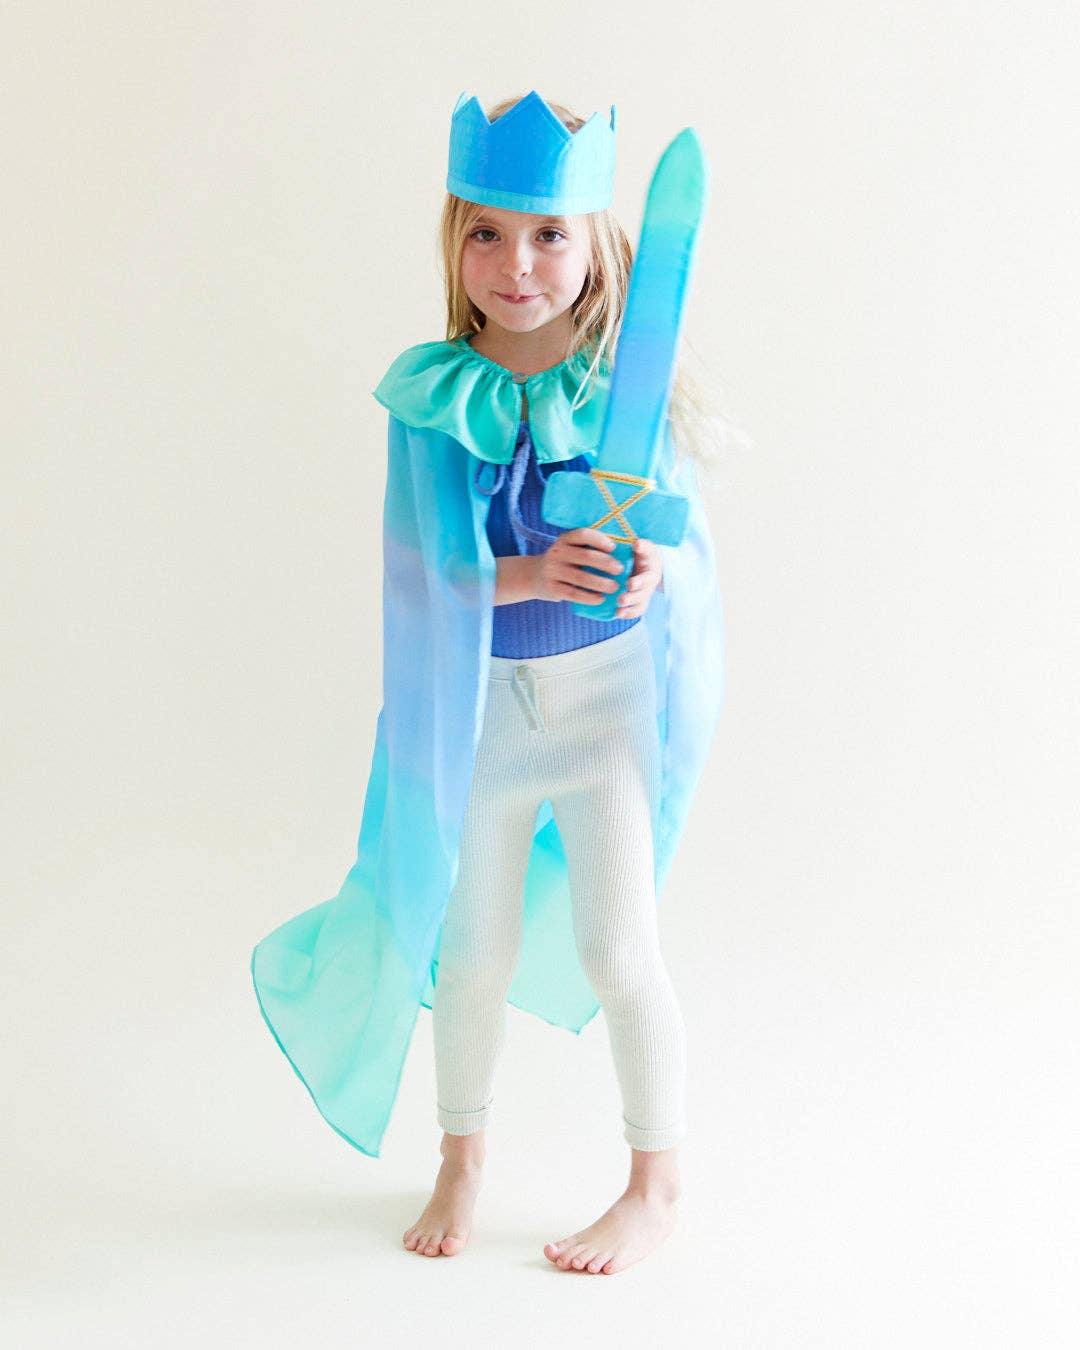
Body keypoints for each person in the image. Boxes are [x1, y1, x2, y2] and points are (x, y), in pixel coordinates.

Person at [250, 89, 726, 1277]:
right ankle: (461, 1158)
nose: (516, 265)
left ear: (595, 244)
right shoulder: (433, 399)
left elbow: (682, 547)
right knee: (469, 957)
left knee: (622, 951)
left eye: (549, 234)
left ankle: (657, 1184)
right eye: (487, 233)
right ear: (454, 243)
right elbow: (418, 573)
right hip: (482, 718)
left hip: (607, 709)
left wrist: (650, 568)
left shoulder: (625, 389)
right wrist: (525, 572)